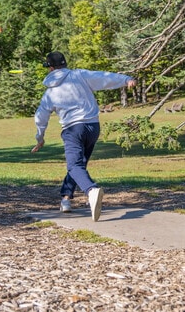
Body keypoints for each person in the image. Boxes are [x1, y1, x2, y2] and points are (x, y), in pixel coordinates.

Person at [31, 52, 136, 222]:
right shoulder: (79, 75)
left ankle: (91, 191)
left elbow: (40, 117)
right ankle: (65, 198)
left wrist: (40, 137)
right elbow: (103, 77)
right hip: (93, 127)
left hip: (73, 129)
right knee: (79, 165)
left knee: (74, 165)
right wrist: (125, 79)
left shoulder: (49, 93)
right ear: (64, 64)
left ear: (50, 68)